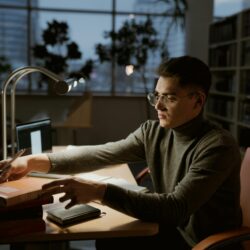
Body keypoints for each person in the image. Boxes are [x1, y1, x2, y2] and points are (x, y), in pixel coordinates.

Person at [0, 56, 242, 250]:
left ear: (198, 102)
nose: (157, 106)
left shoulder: (217, 146)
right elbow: (102, 153)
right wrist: (32, 161)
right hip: (171, 229)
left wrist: (98, 192)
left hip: (197, 243)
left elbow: (175, 208)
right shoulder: (154, 131)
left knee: (112, 238)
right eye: (156, 96)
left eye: (169, 98)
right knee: (109, 237)